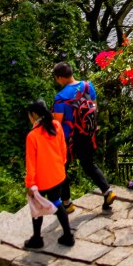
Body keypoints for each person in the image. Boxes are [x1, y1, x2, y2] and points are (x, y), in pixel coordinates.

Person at [52, 60, 116, 213]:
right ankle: (107, 191)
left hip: (68, 139)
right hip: (87, 134)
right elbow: (94, 107)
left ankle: (67, 203)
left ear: (60, 78)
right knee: (89, 165)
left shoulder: (60, 98)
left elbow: (57, 123)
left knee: (62, 170)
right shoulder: (88, 86)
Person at [23, 99, 75, 250]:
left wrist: (30, 184)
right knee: (57, 202)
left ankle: (37, 239)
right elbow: (63, 149)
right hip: (58, 174)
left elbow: (31, 164)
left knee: (36, 207)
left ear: (33, 115)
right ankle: (68, 235)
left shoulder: (32, 136)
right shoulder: (56, 126)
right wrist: (60, 165)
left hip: (41, 179)